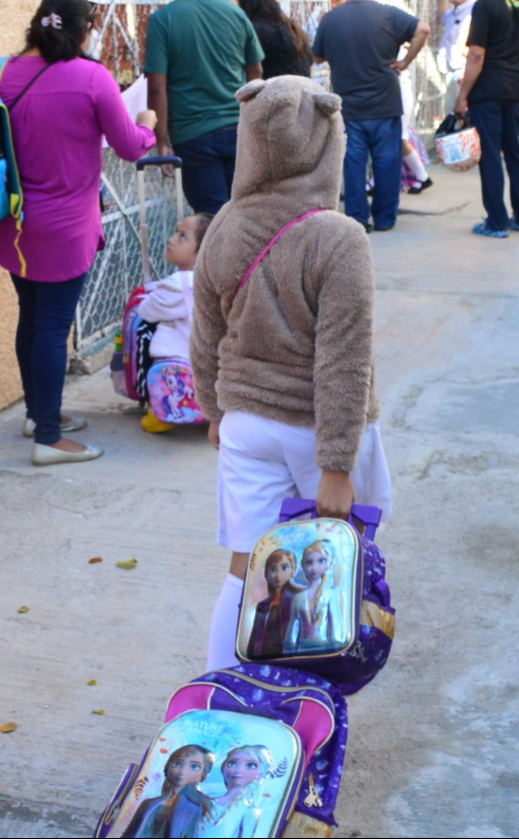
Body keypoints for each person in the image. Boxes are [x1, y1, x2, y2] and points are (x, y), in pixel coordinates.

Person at [190, 75, 392, 672]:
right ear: (327, 140)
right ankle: (306, 701)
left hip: (246, 425)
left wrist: (215, 413)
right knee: (327, 571)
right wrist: (336, 466)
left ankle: (223, 694)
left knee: (245, 568)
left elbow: (205, 336)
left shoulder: (223, 226)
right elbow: (343, 360)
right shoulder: (339, 237)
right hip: (317, 433)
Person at [0, 0, 158, 466]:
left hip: (13, 221)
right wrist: (146, 126)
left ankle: (36, 414)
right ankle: (47, 435)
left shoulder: (2, 72)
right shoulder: (91, 77)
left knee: (32, 314)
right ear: (84, 32)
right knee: (51, 325)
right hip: (65, 226)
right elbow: (128, 147)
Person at [312, 0, 431, 231]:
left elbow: (317, 57)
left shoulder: (331, 19)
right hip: (385, 102)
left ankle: (357, 218)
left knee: (354, 164)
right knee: (387, 163)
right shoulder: (387, 14)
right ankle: (385, 218)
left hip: (350, 107)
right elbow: (423, 29)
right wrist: (405, 62)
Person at [145, 0, 265, 213]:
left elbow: (156, 87)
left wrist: (161, 140)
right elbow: (255, 70)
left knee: (210, 219)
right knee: (246, 213)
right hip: (238, 127)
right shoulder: (235, 13)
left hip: (192, 134)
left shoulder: (163, 19)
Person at [135, 212, 213, 434]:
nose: (171, 239)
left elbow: (146, 311)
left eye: (182, 237)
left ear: (201, 252)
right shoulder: (214, 279)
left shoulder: (177, 284)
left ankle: (163, 414)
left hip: (178, 362)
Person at [454, 0, 519, 238]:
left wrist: (462, 96)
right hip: (513, 90)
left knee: (490, 155)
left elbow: (476, 54)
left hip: (489, 91)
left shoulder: (485, 5)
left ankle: (496, 222)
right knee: (514, 155)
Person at [123, 745, 217, 838]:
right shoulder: (148, 804)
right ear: (167, 768)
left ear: (203, 775)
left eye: (194, 767)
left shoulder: (199, 807)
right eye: (177, 764)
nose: (182, 771)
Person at [197, 746, 273, 838]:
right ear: (224, 768)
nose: (238, 770)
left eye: (251, 765)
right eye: (232, 763)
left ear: (261, 774)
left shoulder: (249, 812)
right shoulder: (206, 800)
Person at [285, 541, 346, 653]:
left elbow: (335, 624)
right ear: (303, 566)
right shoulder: (298, 598)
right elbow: (292, 630)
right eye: (309, 563)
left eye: (321, 561)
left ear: (330, 563)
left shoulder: (333, 593)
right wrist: (289, 652)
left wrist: (337, 648)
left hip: (326, 650)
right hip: (301, 651)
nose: (314, 567)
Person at [247, 548, 305, 658]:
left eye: (284, 568)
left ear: (293, 570)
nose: (278, 575)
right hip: (264, 657)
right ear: (266, 574)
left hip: (292, 656)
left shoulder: (299, 598)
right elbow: (254, 640)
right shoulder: (263, 605)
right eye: (273, 569)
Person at [240, 0, 313, 79]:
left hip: (275, 88)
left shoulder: (257, 31)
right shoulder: (292, 29)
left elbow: (253, 70)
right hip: (303, 87)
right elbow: (310, 64)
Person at [440, 0, 478, 75]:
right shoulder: (455, 11)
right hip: (452, 72)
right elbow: (443, 17)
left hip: (464, 71)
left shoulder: (475, 10)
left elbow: (476, 51)